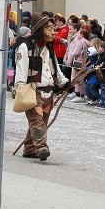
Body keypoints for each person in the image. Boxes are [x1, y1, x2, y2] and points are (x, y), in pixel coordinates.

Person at [14, 15, 69, 161]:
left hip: (48, 92)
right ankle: (41, 147)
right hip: (33, 91)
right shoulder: (26, 46)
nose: (53, 32)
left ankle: (30, 148)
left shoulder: (48, 48)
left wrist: (64, 83)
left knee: (41, 122)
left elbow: (55, 68)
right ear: (40, 30)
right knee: (37, 121)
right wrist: (19, 88)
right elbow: (21, 69)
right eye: (50, 29)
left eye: (54, 29)